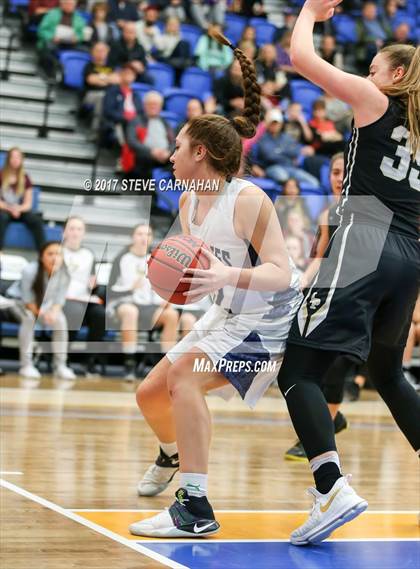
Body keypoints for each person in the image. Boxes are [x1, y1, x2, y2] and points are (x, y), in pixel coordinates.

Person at [128, 30, 302, 539]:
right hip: (224, 315)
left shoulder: (248, 200)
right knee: (148, 395)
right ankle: (172, 453)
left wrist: (227, 274)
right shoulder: (187, 202)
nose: (170, 156)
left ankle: (196, 505)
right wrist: (168, 272)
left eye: (177, 147)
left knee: (184, 379)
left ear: (199, 152)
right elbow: (191, 263)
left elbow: (282, 272)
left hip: (265, 321)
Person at [276, 0, 420, 546]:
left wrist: (311, 10)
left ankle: (330, 485)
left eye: (375, 68)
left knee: (299, 370)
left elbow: (300, 57)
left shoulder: (375, 102)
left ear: (396, 76)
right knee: (387, 373)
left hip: (365, 238)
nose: (367, 77)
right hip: (410, 252)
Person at [285, 153, 353, 461]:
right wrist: (301, 283)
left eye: (344, 171)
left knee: (341, 363)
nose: (339, 177)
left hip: (360, 292)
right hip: (329, 291)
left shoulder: (367, 209)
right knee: (323, 361)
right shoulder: (328, 212)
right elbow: (320, 258)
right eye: (335, 172)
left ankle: (326, 425)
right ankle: (328, 423)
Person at [106, 224, 179, 380]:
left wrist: (165, 300)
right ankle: (129, 364)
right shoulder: (121, 258)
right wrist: (129, 289)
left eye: (147, 234)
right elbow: (110, 290)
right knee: (131, 312)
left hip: (148, 306)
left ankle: (167, 365)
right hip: (123, 303)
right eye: (139, 234)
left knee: (171, 315)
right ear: (133, 237)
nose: (143, 237)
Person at [7, 241, 75, 380]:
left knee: (60, 320)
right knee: (29, 319)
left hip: (46, 306)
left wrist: (53, 312)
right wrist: (42, 314)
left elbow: (59, 300)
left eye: (58, 254)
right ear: (41, 257)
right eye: (50, 254)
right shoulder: (30, 271)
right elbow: (27, 300)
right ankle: (26, 365)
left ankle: (60, 365)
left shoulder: (65, 273)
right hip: (19, 303)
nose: (54, 258)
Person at [62, 216, 106, 374]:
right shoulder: (57, 251)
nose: (75, 232)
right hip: (63, 299)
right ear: (64, 232)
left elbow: (93, 283)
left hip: (84, 298)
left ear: (84, 233)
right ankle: (63, 358)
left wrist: (94, 286)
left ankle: (89, 359)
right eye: (71, 228)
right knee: (74, 311)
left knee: (100, 314)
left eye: (79, 229)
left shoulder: (88, 254)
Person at [250, 108, 321, 187]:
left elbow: (295, 152)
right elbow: (270, 156)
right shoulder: (261, 139)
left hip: (290, 167)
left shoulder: (287, 138)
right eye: (272, 123)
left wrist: (279, 152)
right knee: (283, 177)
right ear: (268, 124)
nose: (275, 125)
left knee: (314, 182)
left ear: (281, 124)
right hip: (272, 167)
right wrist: (285, 152)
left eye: (277, 123)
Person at [0, 148, 45, 252]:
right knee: (1, 218)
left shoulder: (25, 178)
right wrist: (10, 208)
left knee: (36, 220)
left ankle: (43, 252)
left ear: (21, 160)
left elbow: (28, 204)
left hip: (19, 210)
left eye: (18, 157)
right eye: (13, 157)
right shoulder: (1, 176)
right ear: (8, 159)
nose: (15, 160)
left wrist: (18, 209)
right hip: (4, 210)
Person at [125, 91, 175, 179]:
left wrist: (168, 152)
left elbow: (174, 142)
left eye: (156, 104)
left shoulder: (165, 123)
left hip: (164, 157)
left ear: (160, 107)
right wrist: (151, 152)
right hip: (144, 158)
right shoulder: (136, 120)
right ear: (144, 105)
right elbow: (131, 141)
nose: (153, 106)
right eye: (150, 104)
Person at [82, 42, 121, 134]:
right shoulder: (89, 66)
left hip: (110, 95)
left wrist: (100, 78)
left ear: (107, 52)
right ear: (92, 52)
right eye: (97, 51)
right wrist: (109, 78)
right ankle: (95, 130)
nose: (100, 53)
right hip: (90, 95)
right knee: (102, 97)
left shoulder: (112, 66)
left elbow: (117, 80)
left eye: (103, 51)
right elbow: (91, 80)